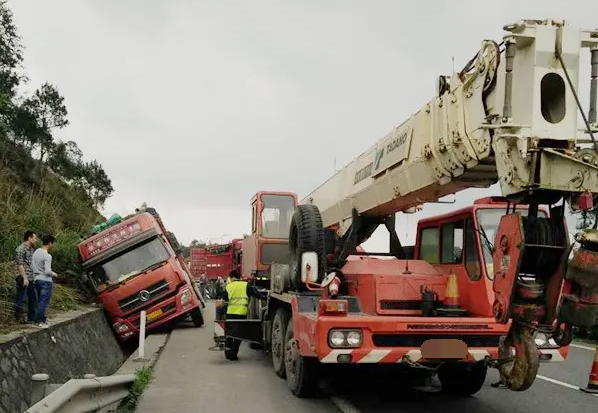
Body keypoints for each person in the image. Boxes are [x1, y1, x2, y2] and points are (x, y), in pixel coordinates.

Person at [221, 269, 267, 360]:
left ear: (233, 277)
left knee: (229, 334)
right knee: (238, 335)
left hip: (230, 314)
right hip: (241, 314)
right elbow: (256, 294)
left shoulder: (229, 286)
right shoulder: (246, 285)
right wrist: (264, 297)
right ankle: (233, 354)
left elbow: (223, 299)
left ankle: (228, 353)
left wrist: (223, 313)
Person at [31, 235, 58, 328]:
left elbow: (32, 266)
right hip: (45, 281)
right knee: (43, 302)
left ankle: (42, 318)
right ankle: (38, 321)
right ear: (50, 243)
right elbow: (47, 271)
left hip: (36, 279)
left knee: (39, 301)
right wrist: (54, 274)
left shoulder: (36, 252)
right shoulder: (47, 255)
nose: (53, 245)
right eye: (53, 244)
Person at [13, 230, 38, 323]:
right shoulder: (20, 249)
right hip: (22, 276)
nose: (36, 240)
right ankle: (17, 318)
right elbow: (20, 264)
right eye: (34, 238)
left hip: (30, 276)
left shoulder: (32, 249)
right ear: (29, 238)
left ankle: (31, 318)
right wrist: (25, 278)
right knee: (21, 297)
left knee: (33, 297)